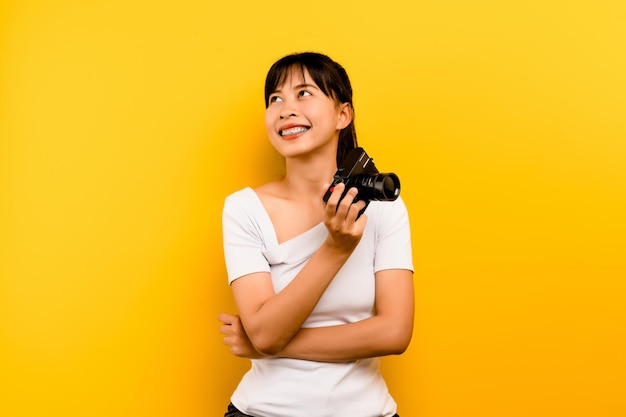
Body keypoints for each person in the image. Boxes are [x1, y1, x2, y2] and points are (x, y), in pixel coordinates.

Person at [218, 52, 414, 417]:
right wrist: (336, 249)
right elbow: (264, 333)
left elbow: (395, 332)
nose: (286, 109)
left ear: (343, 114)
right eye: (275, 99)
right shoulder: (243, 209)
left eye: (304, 93)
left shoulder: (385, 207)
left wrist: (269, 343)